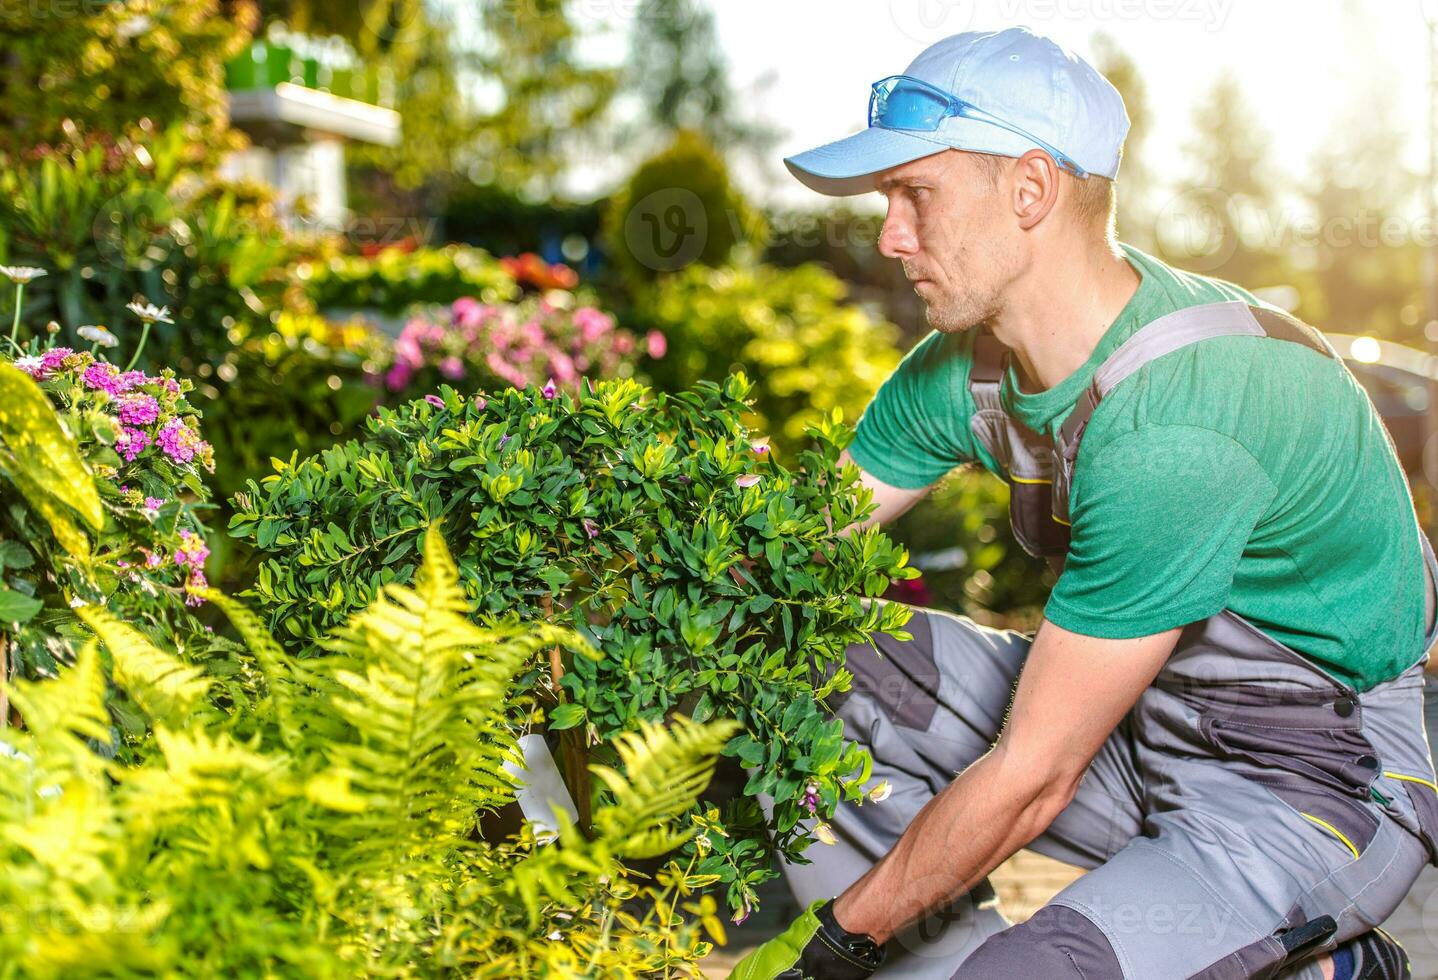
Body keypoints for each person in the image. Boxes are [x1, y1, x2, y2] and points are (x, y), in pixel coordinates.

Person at [732, 25, 1438, 980]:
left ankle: (1329, 968)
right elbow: (787, 546)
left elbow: (1033, 776)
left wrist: (830, 944)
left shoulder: (1180, 426)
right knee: (807, 659)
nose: (890, 235)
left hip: (1314, 780)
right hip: (1140, 725)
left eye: (916, 194)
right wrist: (633, 553)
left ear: (1030, 189)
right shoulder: (966, 369)